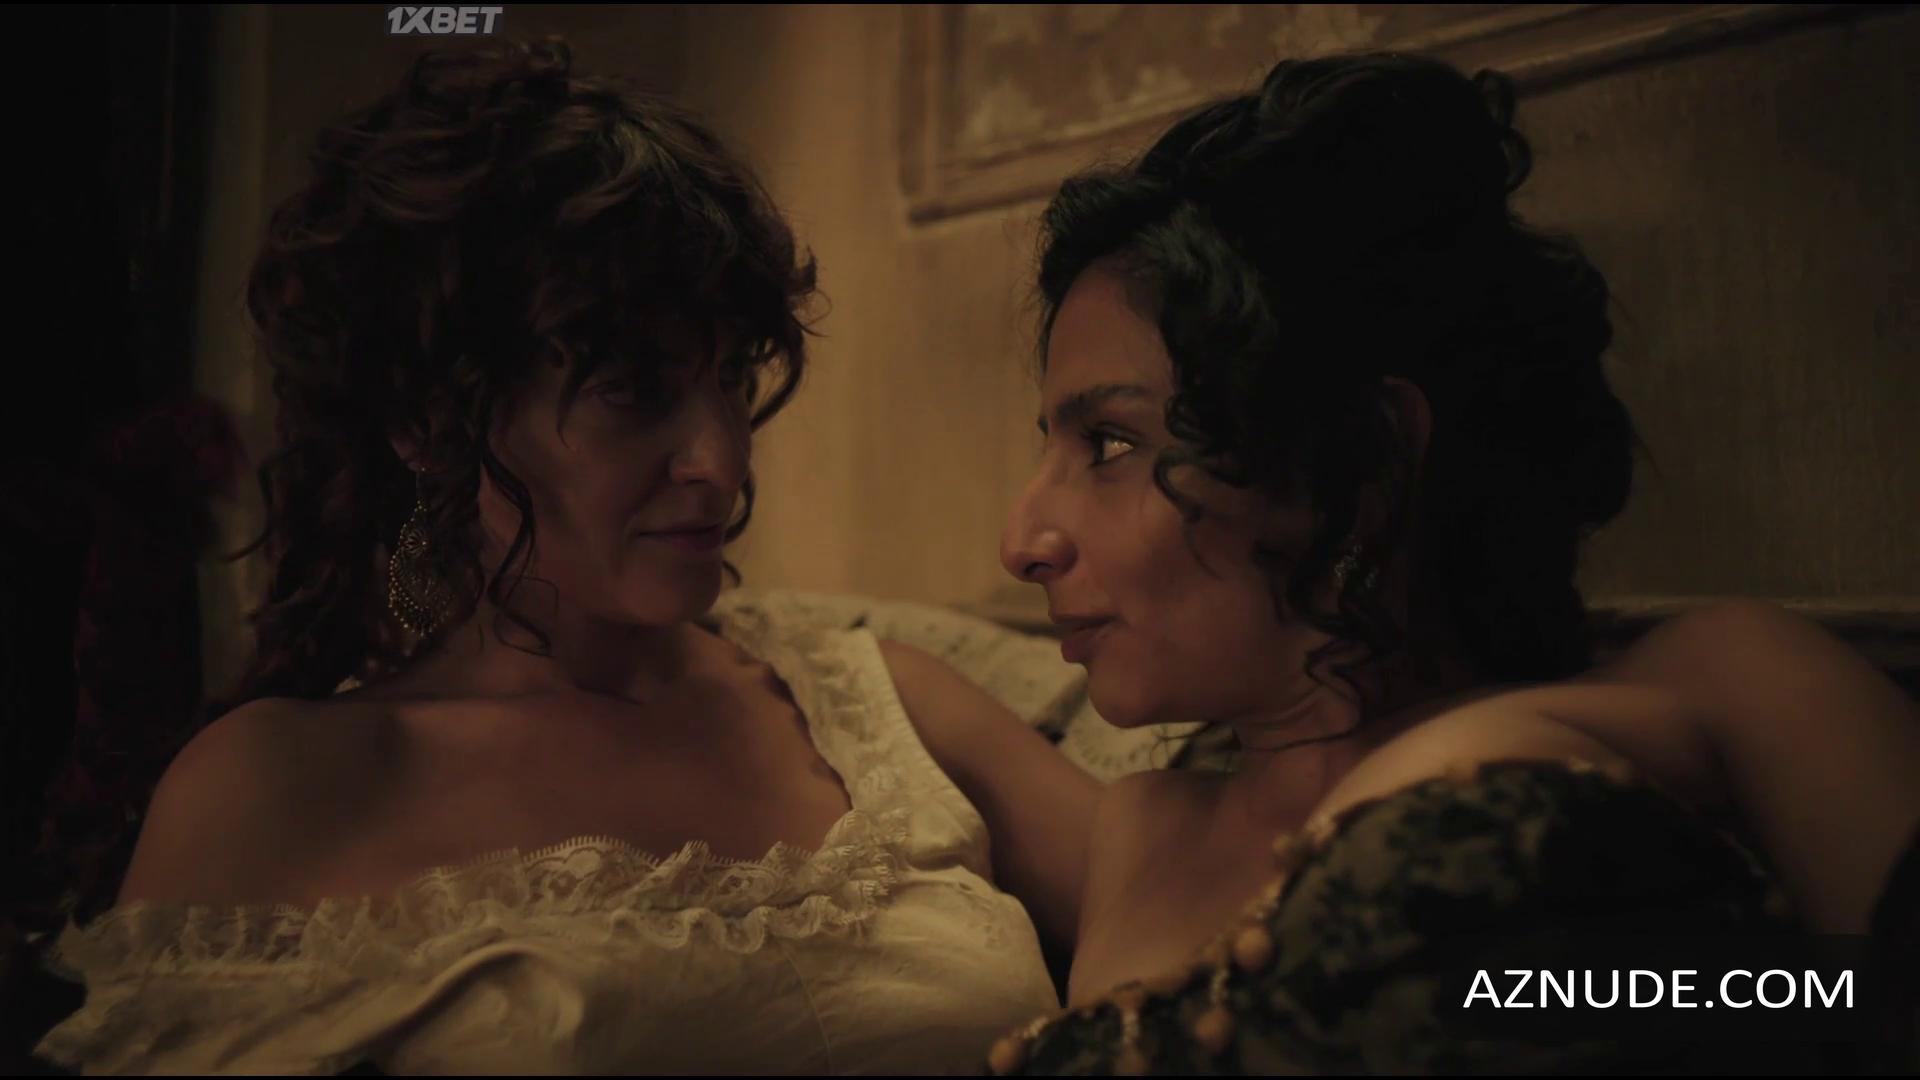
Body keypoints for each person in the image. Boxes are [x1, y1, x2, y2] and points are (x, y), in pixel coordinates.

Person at [34, 38, 1098, 1075]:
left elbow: (1185, 883)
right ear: (428, 420)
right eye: (633, 390)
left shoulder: (878, 700)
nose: (720, 461)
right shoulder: (275, 786)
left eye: (733, 378)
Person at [992, 51, 1920, 1073]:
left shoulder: (1723, 684)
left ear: (1367, 458)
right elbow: (920, 707)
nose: (1021, 543)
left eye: (1109, 444)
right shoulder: (1141, 826)